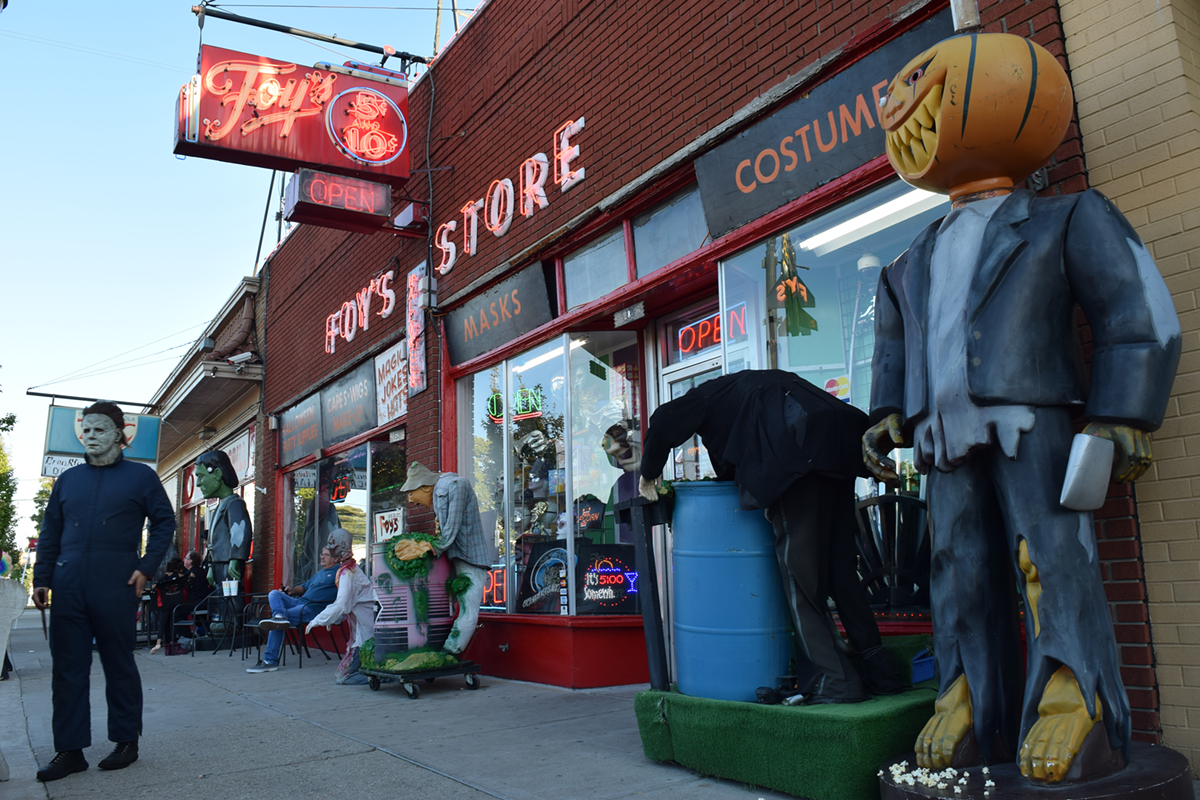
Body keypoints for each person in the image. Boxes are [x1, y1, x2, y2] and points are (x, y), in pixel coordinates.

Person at [864, 34, 1181, 782]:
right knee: (955, 567)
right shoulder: (909, 259)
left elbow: (1137, 313)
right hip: (940, 435)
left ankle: (1076, 696)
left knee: (1051, 557)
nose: (897, 104)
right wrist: (885, 413)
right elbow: (894, 349)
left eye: (921, 82)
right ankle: (969, 696)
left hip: (1032, 420)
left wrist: (1122, 413)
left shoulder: (1067, 218)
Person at [638, 370, 903, 704]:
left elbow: (664, 419)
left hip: (798, 452)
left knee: (801, 577)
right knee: (841, 571)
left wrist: (649, 474)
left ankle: (836, 684)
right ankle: (882, 674)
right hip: (840, 441)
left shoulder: (707, 396)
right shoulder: (753, 385)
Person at [32, 402, 175, 781]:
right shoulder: (68, 481)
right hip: (68, 584)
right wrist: (42, 578)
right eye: (86, 430)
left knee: (118, 664)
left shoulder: (140, 478)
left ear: (118, 435)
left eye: (99, 430)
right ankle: (69, 750)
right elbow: (50, 534)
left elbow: (165, 522)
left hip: (117, 583)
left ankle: (126, 741)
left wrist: (146, 567)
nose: (90, 436)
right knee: (67, 670)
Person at [399, 462, 496, 654]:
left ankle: (451, 651)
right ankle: (443, 648)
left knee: (468, 610)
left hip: (470, 559)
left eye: (411, 492)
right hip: (457, 559)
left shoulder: (451, 486)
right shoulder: (443, 491)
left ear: (426, 487)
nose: (410, 500)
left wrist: (438, 545)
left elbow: (453, 521)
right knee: (450, 607)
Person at [246, 546, 339, 673]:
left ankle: (270, 661)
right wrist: (291, 590)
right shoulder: (319, 573)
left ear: (336, 559)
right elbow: (304, 587)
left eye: (326, 555)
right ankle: (279, 616)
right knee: (274, 594)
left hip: (311, 609)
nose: (322, 557)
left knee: (276, 625)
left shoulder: (340, 573)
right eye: (322, 554)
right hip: (299, 602)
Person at [305, 529, 377, 684]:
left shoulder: (348, 573)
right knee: (342, 674)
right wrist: (332, 620)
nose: (329, 548)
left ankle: (378, 678)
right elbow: (347, 605)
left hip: (365, 638)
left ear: (342, 545)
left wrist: (317, 620)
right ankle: (374, 674)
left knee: (343, 677)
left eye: (332, 544)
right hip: (362, 636)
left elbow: (341, 604)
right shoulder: (349, 570)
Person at [195, 450, 251, 587]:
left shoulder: (234, 504)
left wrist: (235, 559)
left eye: (201, 477)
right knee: (220, 600)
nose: (198, 483)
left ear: (218, 474)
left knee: (230, 600)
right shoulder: (221, 506)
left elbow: (239, 531)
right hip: (219, 562)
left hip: (228, 563)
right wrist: (210, 565)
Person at [148, 558, 186, 655]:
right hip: (176, 603)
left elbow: (155, 586)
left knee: (162, 622)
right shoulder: (179, 577)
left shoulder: (163, 578)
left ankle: (158, 642)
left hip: (164, 603)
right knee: (173, 623)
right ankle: (172, 644)